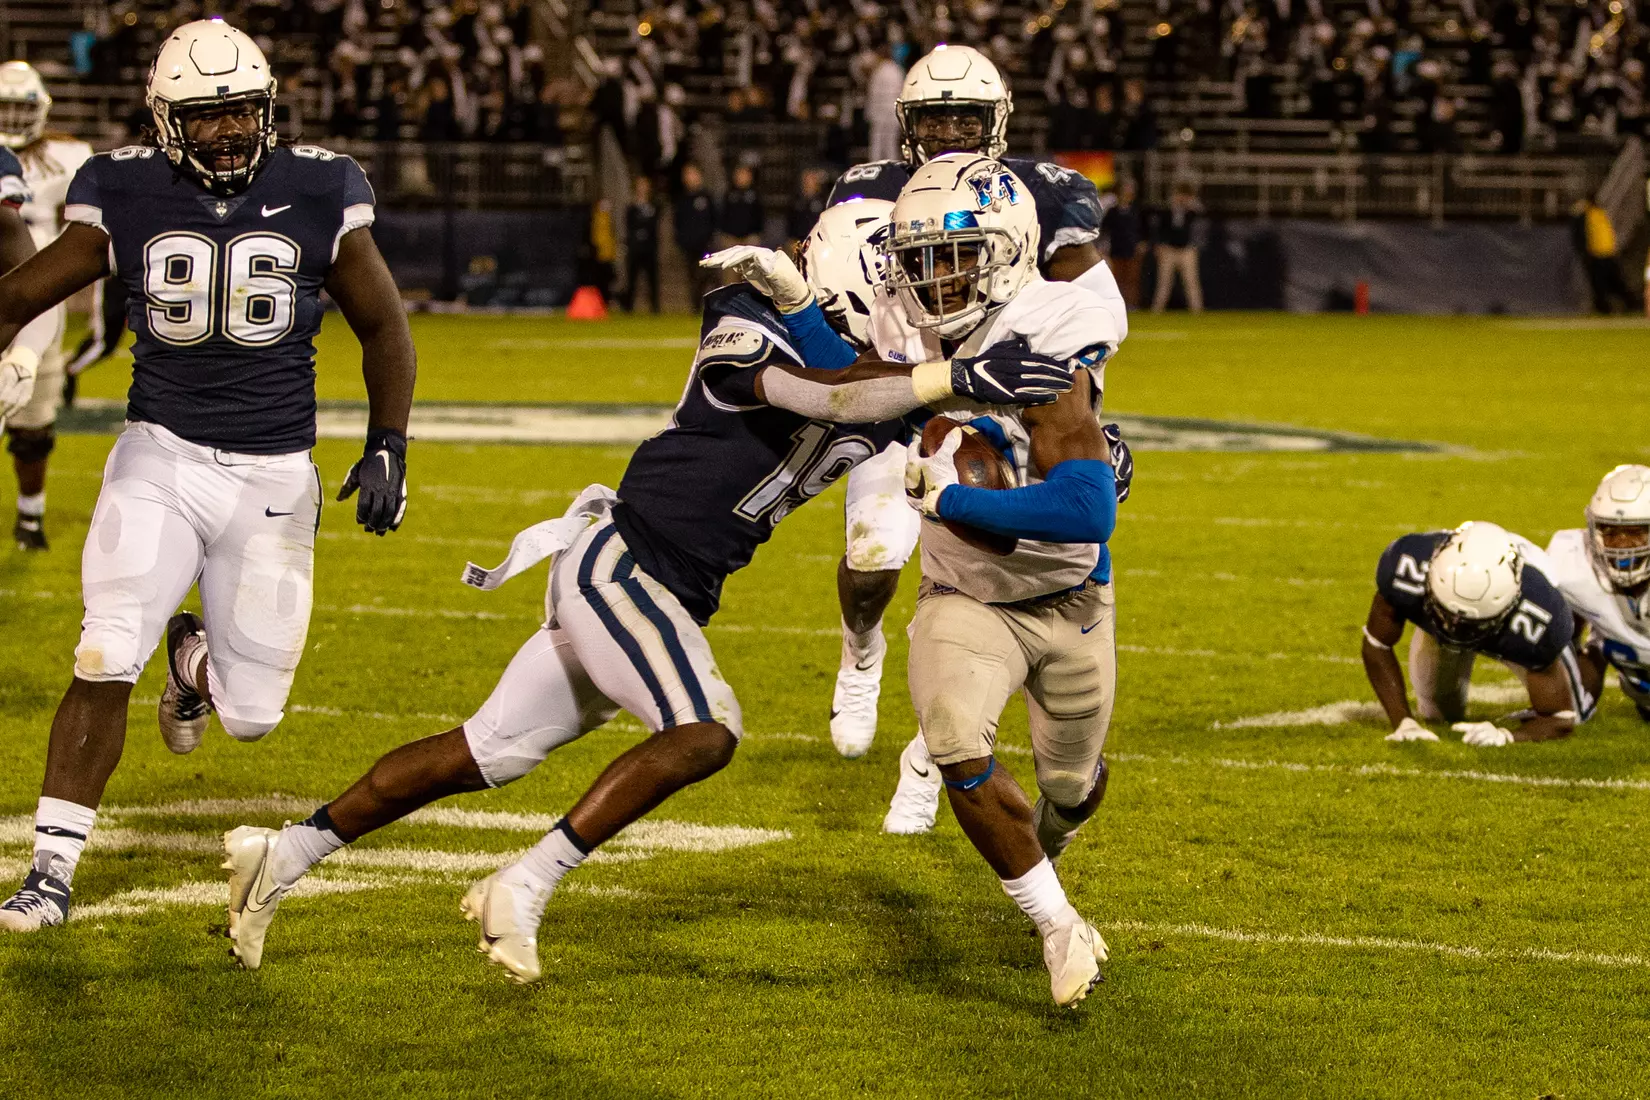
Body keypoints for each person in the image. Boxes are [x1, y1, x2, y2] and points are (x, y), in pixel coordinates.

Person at [218, 200, 1075, 975]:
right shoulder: (747, 312)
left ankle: (284, 853)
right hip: (625, 561)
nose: (917, 301)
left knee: (487, 751)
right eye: (897, 283)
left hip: (667, 584)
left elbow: (949, 434)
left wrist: (1074, 456)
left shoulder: (878, 366)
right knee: (705, 729)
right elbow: (824, 398)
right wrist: (938, 379)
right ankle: (524, 884)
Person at [0, 19, 416, 932]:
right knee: (106, 647)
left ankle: (192, 661)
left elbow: (383, 326)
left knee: (254, 717)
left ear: (266, 109)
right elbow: (20, 294)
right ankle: (51, 871)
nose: (228, 130)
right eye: (206, 114)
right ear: (164, 118)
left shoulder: (321, 186)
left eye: (240, 110)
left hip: (273, 476)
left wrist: (388, 440)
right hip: (161, 454)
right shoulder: (122, 187)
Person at [815, 44, 1128, 782]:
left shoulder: (1043, 192)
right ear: (907, 123)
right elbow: (838, 308)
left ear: (998, 120)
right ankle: (860, 655)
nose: (951, 127)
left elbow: (1097, 318)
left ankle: (940, 744)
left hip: (1000, 414)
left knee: (1004, 570)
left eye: (967, 114)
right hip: (903, 402)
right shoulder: (867, 190)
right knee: (871, 558)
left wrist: (1086, 422)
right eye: (935, 115)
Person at [885, 155, 1123, 1006]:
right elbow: (834, 384)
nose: (936, 278)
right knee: (954, 739)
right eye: (920, 259)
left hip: (1070, 600)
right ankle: (1059, 927)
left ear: (1013, 249)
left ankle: (1043, 850)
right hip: (965, 597)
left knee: (1070, 789)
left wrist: (950, 497)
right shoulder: (902, 327)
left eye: (956, 255)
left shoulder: (1050, 335)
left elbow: (1088, 510)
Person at [1363, 522, 1592, 748]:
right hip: (1475, 614)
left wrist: (1506, 736)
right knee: (1438, 713)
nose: (1456, 630)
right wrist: (1403, 722)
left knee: (1576, 714)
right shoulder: (1408, 565)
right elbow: (1377, 644)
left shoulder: (1539, 612)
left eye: (1471, 624)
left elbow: (1559, 719)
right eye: (1447, 613)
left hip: (1510, 627)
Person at [0, 62, 94, 550]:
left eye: (22, 108)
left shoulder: (70, 154)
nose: (14, 118)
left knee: (33, 423)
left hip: (42, 300)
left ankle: (30, 515)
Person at [1546, 466, 1650, 719]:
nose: (1622, 544)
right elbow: (1569, 647)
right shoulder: (1574, 565)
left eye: (1636, 532)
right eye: (1610, 531)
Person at [1571, 198, 1633, 314]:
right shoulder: (1591, 214)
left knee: (1612, 282)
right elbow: (1580, 233)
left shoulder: (1596, 214)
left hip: (1605, 254)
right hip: (1598, 254)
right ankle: (1605, 307)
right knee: (1602, 284)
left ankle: (1628, 304)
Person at [1150, 181, 1203, 313]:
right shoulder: (1167, 210)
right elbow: (1159, 229)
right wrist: (1159, 245)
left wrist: (1190, 205)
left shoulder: (1192, 211)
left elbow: (1200, 216)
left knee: (1191, 283)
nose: (1182, 198)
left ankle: (1197, 312)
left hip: (1187, 250)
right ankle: (1157, 311)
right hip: (1169, 250)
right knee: (1164, 283)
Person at [674, 160, 717, 302]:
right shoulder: (682, 199)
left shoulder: (706, 197)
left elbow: (713, 218)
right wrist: (681, 239)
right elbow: (678, 222)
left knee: (707, 274)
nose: (689, 177)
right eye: (686, 174)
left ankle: (710, 301)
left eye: (692, 173)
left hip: (705, 244)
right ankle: (695, 304)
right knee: (692, 276)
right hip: (688, 245)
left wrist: (709, 237)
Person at [1102, 177, 1144, 307]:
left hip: (1132, 248)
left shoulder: (1137, 210)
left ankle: (1132, 304)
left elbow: (1143, 229)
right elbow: (1105, 230)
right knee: (1117, 279)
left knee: (1132, 279)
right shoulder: (1112, 211)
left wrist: (1142, 243)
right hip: (1116, 248)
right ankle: (1118, 304)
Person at [621, 175, 659, 314]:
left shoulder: (653, 207)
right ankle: (628, 307)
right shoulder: (632, 208)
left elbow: (653, 227)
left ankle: (655, 307)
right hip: (635, 248)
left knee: (652, 280)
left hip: (649, 248)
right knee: (632, 279)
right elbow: (629, 226)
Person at [717, 162, 764, 248]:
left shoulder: (756, 195)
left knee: (754, 242)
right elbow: (723, 216)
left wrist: (756, 234)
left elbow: (760, 218)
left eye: (744, 174)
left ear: (750, 177)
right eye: (739, 174)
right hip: (730, 237)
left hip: (749, 238)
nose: (741, 177)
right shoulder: (729, 195)